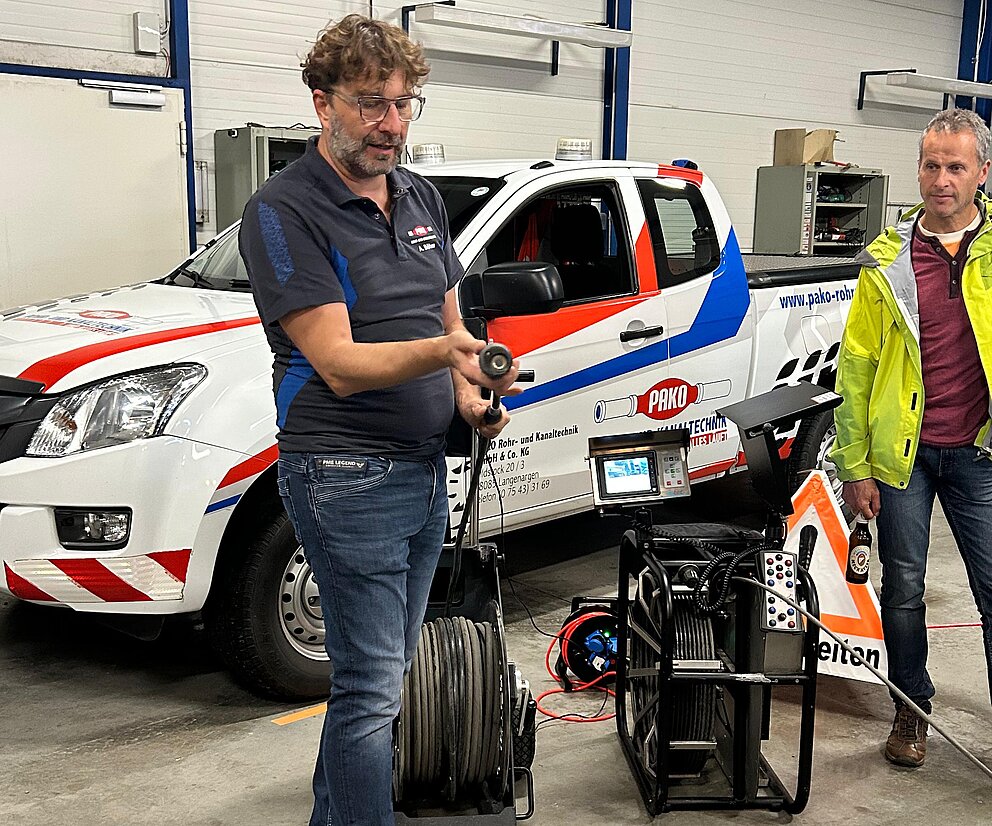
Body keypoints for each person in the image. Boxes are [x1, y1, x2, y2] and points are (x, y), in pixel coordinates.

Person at [238, 15, 518, 825]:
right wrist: (446, 355)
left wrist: (470, 397)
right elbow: (338, 361)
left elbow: (448, 314)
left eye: (404, 104)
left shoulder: (419, 194)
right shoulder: (284, 211)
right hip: (342, 472)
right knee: (371, 687)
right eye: (371, 104)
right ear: (321, 102)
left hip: (424, 464)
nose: (390, 124)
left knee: (382, 674)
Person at [832, 108, 992, 769]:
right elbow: (857, 365)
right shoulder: (888, 262)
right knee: (901, 588)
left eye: (956, 166)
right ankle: (911, 709)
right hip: (904, 456)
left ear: (983, 172)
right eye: (931, 164)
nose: (941, 179)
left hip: (980, 453)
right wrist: (854, 463)